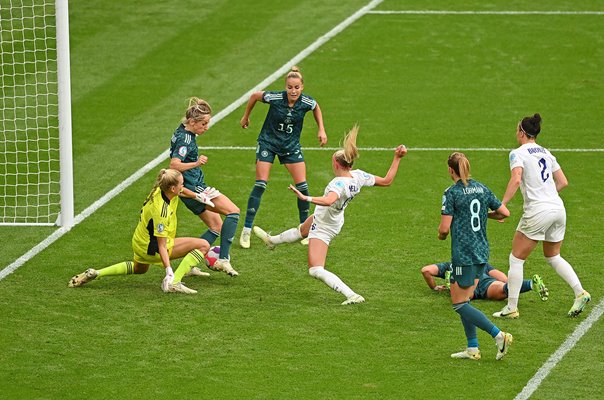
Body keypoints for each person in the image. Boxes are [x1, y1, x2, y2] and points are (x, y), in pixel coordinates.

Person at [252, 126, 407, 304]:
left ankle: (352, 295)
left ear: (335, 164)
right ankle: (271, 241)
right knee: (302, 230)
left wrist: (305, 197)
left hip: (325, 225)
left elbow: (328, 200)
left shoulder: (338, 184)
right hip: (332, 218)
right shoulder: (358, 176)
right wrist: (397, 158)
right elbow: (387, 181)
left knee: (315, 269)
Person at [494, 114, 590, 319]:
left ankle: (511, 307)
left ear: (521, 131)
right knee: (553, 255)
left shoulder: (517, 153)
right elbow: (563, 182)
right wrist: (548, 195)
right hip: (558, 208)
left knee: (516, 258)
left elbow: (516, 179)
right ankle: (579, 292)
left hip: (538, 210)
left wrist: (502, 205)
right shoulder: (547, 152)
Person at [68, 169, 212, 294]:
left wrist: (197, 196)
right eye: (181, 183)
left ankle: (96, 273)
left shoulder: (160, 189)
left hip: (139, 242)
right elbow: (161, 245)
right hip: (153, 247)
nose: (183, 185)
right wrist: (169, 270)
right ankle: (174, 283)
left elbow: (181, 190)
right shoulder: (161, 212)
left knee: (139, 269)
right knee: (203, 245)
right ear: (173, 188)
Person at [238, 66, 328, 249]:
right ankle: (246, 230)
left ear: (302, 87)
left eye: (296, 87)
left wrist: (321, 129)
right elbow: (255, 95)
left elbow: (316, 106)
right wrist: (246, 116)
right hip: (268, 143)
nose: (293, 91)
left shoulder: (306, 102)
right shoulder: (276, 98)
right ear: (285, 87)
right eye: (290, 87)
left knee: (302, 187)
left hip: (290, 146)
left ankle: (306, 231)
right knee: (260, 184)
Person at [438, 152, 512, 361]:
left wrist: (441, 235)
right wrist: (483, 215)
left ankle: (499, 336)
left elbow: (444, 229)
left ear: (451, 170)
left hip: (464, 255)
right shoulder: (482, 188)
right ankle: (472, 348)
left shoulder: (451, 193)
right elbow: (504, 213)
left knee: (459, 303)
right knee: (465, 299)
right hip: (481, 252)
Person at [169, 97, 240, 277]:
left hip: (192, 188)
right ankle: (224, 259)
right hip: (194, 188)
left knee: (216, 225)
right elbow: (174, 165)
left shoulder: (184, 132)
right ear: (192, 122)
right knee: (233, 212)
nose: (206, 127)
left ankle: (189, 263)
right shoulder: (185, 139)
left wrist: (202, 104)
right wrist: (196, 163)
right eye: (204, 123)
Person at [420, 261, 549, 301]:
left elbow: (426, 270)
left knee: (465, 295)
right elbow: (503, 278)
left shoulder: (450, 264)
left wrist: (434, 287)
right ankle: (531, 284)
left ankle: (456, 281)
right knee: (504, 289)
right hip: (485, 284)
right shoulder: (482, 263)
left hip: (463, 279)